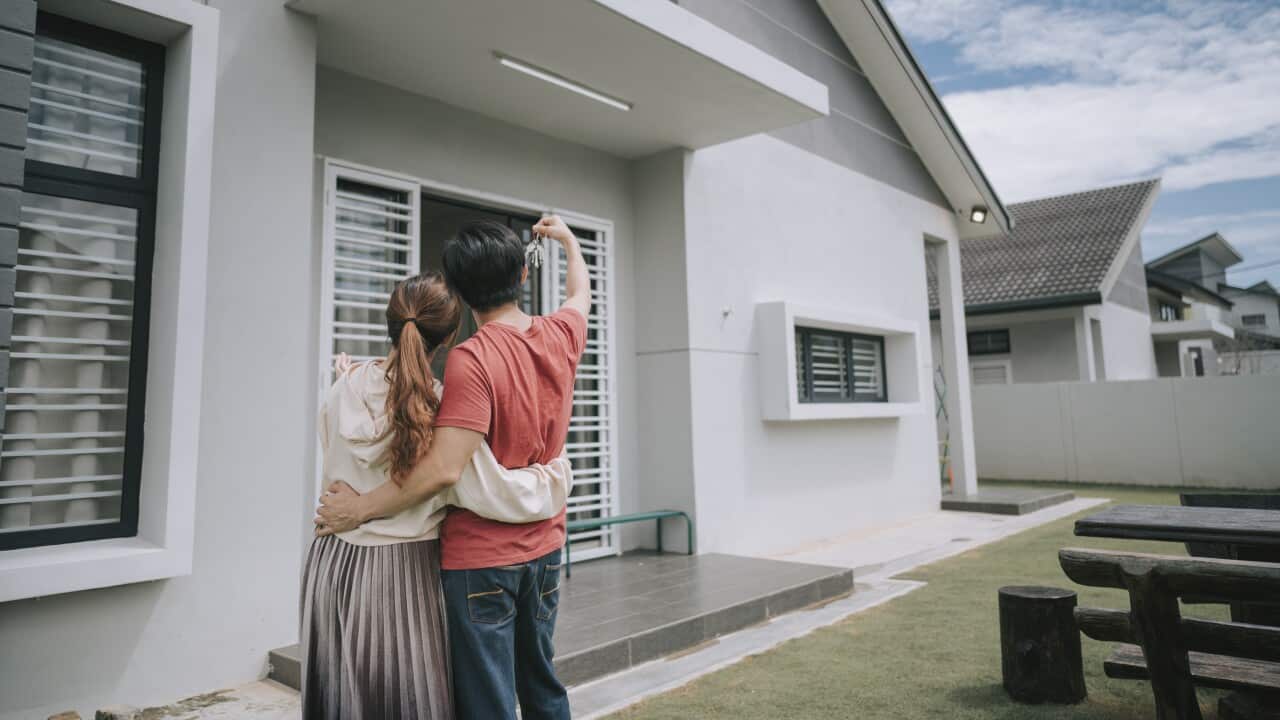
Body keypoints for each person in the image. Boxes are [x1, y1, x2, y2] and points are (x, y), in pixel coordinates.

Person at [317, 214, 590, 720]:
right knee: (543, 685)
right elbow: (580, 295)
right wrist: (570, 243)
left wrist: (360, 509)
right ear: (523, 277)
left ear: (460, 292)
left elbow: (443, 468)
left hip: (483, 559)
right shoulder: (561, 334)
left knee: (488, 702)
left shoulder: (472, 358)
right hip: (548, 548)